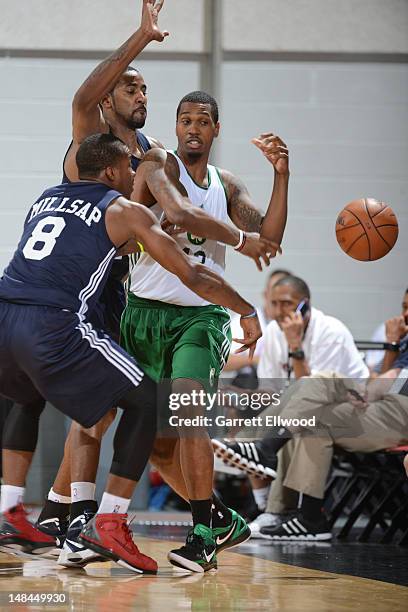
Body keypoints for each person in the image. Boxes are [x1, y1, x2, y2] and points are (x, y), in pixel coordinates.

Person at [1, 0, 276, 568]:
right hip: (82, 291)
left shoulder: (152, 158)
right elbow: (84, 97)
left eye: (144, 88)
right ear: (108, 99)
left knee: (106, 412)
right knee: (106, 410)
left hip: (118, 291)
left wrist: (267, 195)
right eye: (129, 87)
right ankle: (80, 517)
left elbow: (183, 221)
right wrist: (141, 36)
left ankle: (61, 512)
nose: (139, 94)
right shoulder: (92, 141)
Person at [213, 274, 369, 534]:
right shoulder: (273, 332)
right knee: (274, 413)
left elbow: (315, 390)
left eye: (286, 303)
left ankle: (250, 451)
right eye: (274, 303)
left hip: (351, 412)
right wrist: (239, 396)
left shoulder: (330, 330)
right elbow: (273, 391)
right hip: (303, 412)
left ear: (304, 304)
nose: (279, 310)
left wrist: (296, 346)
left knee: (299, 420)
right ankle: (267, 507)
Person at [365, 288, 408, 374]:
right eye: (404, 307)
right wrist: (392, 344)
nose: (406, 314)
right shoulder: (403, 341)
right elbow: (372, 383)